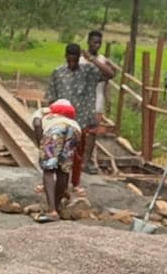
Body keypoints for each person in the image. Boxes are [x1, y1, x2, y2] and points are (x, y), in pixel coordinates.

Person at [45, 43, 115, 195]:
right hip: (60, 122)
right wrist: (51, 117)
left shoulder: (88, 71)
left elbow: (110, 74)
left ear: (79, 58)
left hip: (80, 122)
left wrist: (92, 60)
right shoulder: (58, 72)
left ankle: (75, 183)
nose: (71, 63)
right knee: (54, 153)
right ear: (65, 57)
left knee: (77, 155)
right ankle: (52, 183)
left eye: (75, 61)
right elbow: (51, 97)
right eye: (69, 60)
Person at [33, 100, 82, 222]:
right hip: (76, 131)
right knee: (63, 169)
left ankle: (52, 211)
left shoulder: (43, 114)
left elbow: (37, 124)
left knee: (48, 170)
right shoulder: (73, 121)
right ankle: (55, 206)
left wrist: (41, 144)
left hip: (55, 131)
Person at [79, 30, 118, 174]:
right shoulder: (79, 59)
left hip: (97, 100)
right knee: (79, 131)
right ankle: (76, 159)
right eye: (94, 42)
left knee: (92, 133)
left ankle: (86, 162)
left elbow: (110, 75)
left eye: (99, 43)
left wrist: (108, 98)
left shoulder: (102, 60)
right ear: (88, 42)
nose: (97, 45)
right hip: (81, 100)